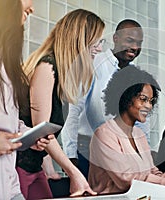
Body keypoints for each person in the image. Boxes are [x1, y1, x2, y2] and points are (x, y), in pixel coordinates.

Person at [16, 9, 104, 199]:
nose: (99, 48)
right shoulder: (47, 68)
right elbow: (43, 132)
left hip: (33, 167)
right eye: (96, 42)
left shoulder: (62, 75)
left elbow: (39, 133)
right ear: (79, 39)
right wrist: (74, 173)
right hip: (16, 169)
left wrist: (50, 171)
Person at [61, 19, 146, 178]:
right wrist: (70, 156)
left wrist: (145, 153)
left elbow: (142, 118)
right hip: (88, 151)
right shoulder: (94, 64)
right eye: (130, 40)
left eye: (139, 43)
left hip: (123, 151)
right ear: (115, 38)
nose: (135, 47)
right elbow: (72, 110)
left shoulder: (136, 76)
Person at [88, 67, 165, 194]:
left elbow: (151, 172)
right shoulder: (104, 134)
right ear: (125, 96)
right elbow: (126, 179)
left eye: (151, 101)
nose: (149, 106)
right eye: (143, 99)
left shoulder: (138, 134)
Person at [0, 0, 51, 199]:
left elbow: (5, 120)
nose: (32, 9)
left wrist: (27, 136)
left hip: (7, 186)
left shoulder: (5, 62)